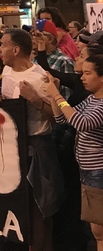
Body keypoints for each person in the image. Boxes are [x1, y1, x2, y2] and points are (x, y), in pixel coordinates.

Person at [0, 28, 62, 251]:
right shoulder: (6, 71)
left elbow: (57, 117)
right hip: (12, 146)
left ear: (15, 49)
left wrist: (35, 99)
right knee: (18, 204)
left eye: (3, 45)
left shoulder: (40, 77)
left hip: (37, 147)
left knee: (38, 208)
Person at [45, 54, 103, 250]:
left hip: (98, 171)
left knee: (99, 230)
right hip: (87, 171)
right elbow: (63, 119)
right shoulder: (91, 100)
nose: (82, 78)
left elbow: (81, 123)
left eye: (87, 73)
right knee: (95, 229)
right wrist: (55, 94)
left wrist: (58, 95)